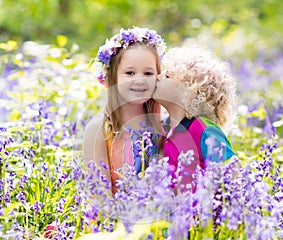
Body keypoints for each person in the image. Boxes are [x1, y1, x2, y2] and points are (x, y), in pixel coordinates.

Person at [83, 27, 166, 194]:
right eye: (130, 72)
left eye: (148, 73)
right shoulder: (99, 129)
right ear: (112, 77)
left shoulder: (164, 126)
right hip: (115, 217)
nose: (140, 80)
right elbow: (99, 198)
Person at [153, 46, 240, 190]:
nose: (158, 77)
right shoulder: (165, 129)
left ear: (187, 91)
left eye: (167, 76)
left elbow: (234, 171)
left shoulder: (203, 129)